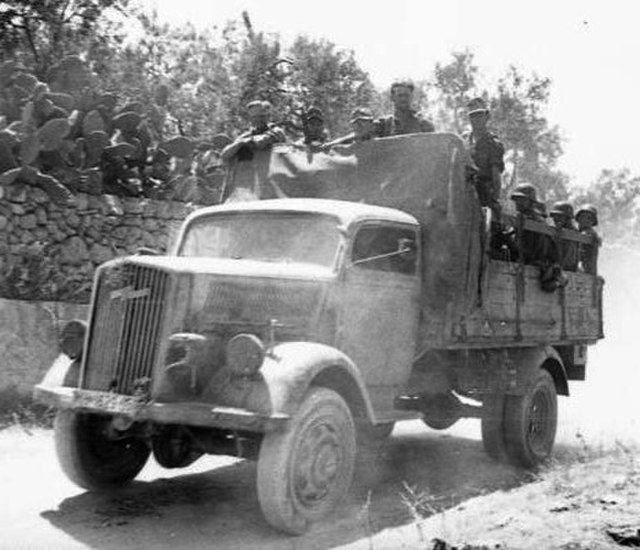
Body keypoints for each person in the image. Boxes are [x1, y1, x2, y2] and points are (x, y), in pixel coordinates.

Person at [463, 97, 505, 213]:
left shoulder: (493, 143)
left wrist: (494, 200)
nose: (475, 119)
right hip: (463, 191)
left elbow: (495, 176)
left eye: (479, 115)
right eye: (472, 116)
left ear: (486, 117)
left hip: (483, 195)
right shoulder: (463, 140)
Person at [220, 100, 286, 162]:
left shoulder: (277, 131)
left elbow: (261, 142)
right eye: (254, 117)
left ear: (268, 116)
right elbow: (224, 156)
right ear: (250, 118)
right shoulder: (246, 135)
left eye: (261, 116)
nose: (258, 119)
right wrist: (240, 143)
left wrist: (248, 141)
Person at [549, 201, 579, 271]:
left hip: (567, 267)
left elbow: (568, 257)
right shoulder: (551, 229)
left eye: (560, 216)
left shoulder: (573, 233)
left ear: (567, 218)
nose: (556, 218)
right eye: (555, 216)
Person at [575, 204, 601, 274]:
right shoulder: (575, 232)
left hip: (587, 271)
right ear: (578, 218)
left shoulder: (590, 233)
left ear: (593, 222)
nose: (585, 220)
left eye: (589, 218)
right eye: (583, 216)